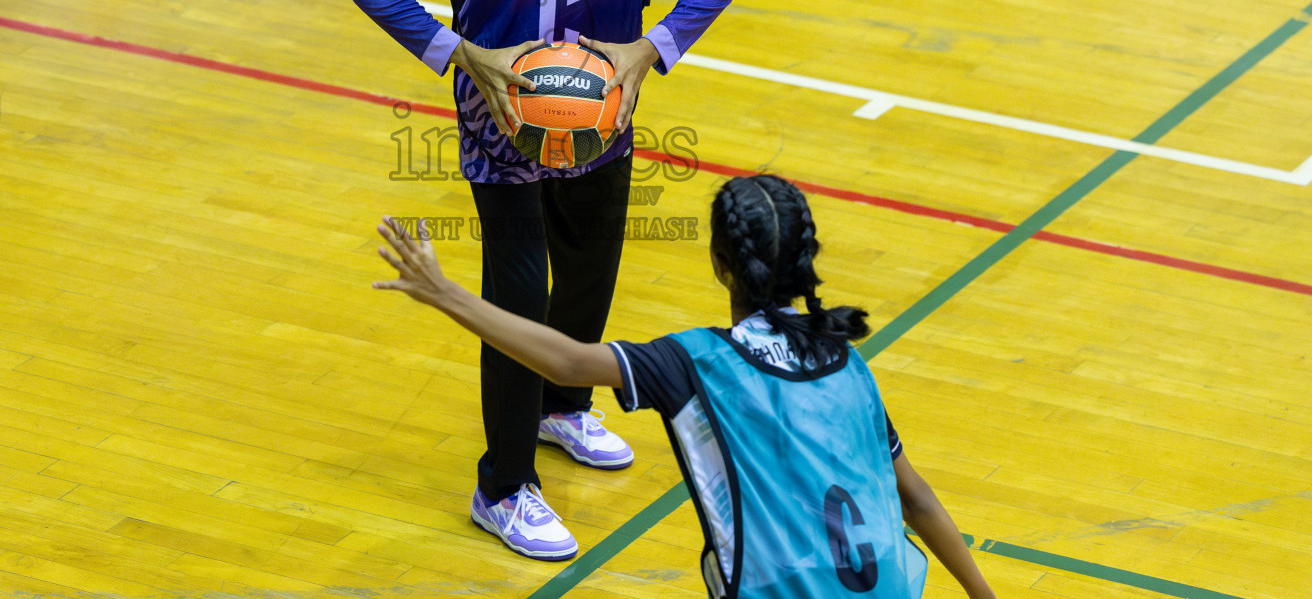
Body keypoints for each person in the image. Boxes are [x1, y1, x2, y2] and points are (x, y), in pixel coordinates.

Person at [352, 0, 738, 560]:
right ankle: (503, 487)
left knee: (592, 271)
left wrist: (648, 50)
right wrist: (463, 55)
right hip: (503, 130)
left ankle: (565, 408)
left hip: (601, 119)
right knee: (518, 294)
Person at [373, 174, 999, 599]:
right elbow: (915, 498)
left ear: (719, 266)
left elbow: (565, 364)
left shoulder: (699, 362)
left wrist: (443, 292)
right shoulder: (846, 363)